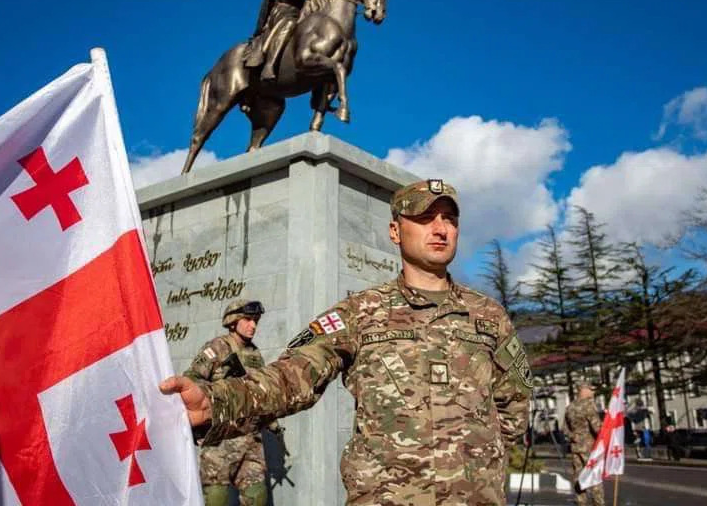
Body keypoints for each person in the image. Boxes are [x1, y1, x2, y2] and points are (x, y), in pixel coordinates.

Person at [160, 179, 533, 505]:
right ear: (394, 231)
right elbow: (292, 377)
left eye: (449, 219)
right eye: (424, 218)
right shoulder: (359, 313)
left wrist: (474, 460)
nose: (441, 229)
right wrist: (215, 400)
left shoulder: (489, 316)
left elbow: (514, 405)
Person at [184, 299, 282, 506]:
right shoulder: (217, 348)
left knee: (257, 497)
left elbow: (260, 391)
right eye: (247, 319)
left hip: (250, 440)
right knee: (216, 499)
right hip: (221, 440)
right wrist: (222, 386)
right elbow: (192, 379)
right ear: (232, 322)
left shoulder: (254, 354)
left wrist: (271, 421)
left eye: (255, 320)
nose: (253, 325)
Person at [564, 381, 604, 506]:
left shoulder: (570, 407)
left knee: (579, 477)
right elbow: (597, 428)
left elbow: (565, 430)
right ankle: (598, 503)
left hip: (576, 447)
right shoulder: (588, 406)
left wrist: (574, 437)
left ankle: (581, 502)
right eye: (591, 389)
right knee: (594, 476)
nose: (593, 392)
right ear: (583, 390)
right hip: (589, 447)